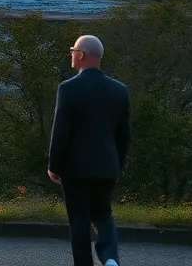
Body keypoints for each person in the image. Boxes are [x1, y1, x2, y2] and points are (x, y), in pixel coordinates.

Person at [48, 35, 131, 266]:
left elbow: (61, 132)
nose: (71, 54)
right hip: (107, 167)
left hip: (75, 170)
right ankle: (110, 259)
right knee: (104, 214)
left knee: (79, 222)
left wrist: (54, 166)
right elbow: (124, 134)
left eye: (73, 50)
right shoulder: (119, 90)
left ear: (81, 55)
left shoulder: (68, 88)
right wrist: (118, 164)